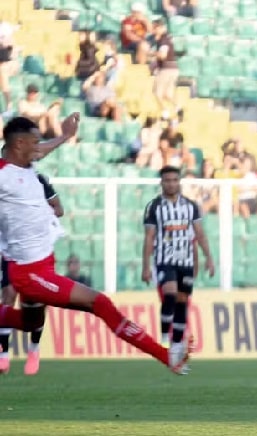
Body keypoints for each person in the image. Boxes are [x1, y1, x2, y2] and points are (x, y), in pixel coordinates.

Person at [0, 115, 191, 374]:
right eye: (35, 143)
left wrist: (65, 136)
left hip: (44, 262)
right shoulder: (3, 175)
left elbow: (42, 152)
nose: (39, 148)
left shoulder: (24, 162)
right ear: (19, 143)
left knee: (29, 322)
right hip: (30, 273)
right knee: (99, 303)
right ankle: (166, 355)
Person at [142, 166, 215, 351]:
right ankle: (165, 333)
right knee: (170, 293)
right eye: (167, 180)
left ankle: (175, 343)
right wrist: (146, 266)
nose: (171, 184)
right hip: (165, 258)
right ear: (161, 182)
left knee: (182, 301)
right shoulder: (154, 206)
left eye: (175, 180)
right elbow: (149, 237)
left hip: (187, 260)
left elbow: (200, 233)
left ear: (179, 182)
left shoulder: (191, 206)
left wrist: (209, 258)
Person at [0, 170, 63, 375]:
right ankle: (3, 354)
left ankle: (34, 349)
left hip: (37, 251)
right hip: (11, 251)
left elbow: (59, 209)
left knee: (36, 301)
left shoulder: (37, 180)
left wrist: (36, 215)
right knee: (8, 295)